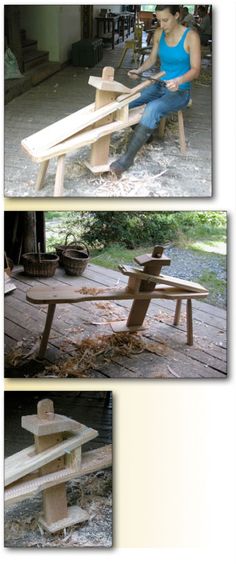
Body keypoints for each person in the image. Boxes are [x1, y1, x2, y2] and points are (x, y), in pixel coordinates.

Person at [110, 4, 201, 177]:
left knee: (153, 108)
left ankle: (126, 159)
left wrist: (179, 80)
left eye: (165, 20)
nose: (161, 25)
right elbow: (152, 59)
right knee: (126, 102)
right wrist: (139, 71)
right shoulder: (159, 34)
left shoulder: (191, 37)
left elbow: (196, 70)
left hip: (179, 90)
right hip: (159, 85)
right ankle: (145, 132)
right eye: (158, 20)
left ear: (177, 15)